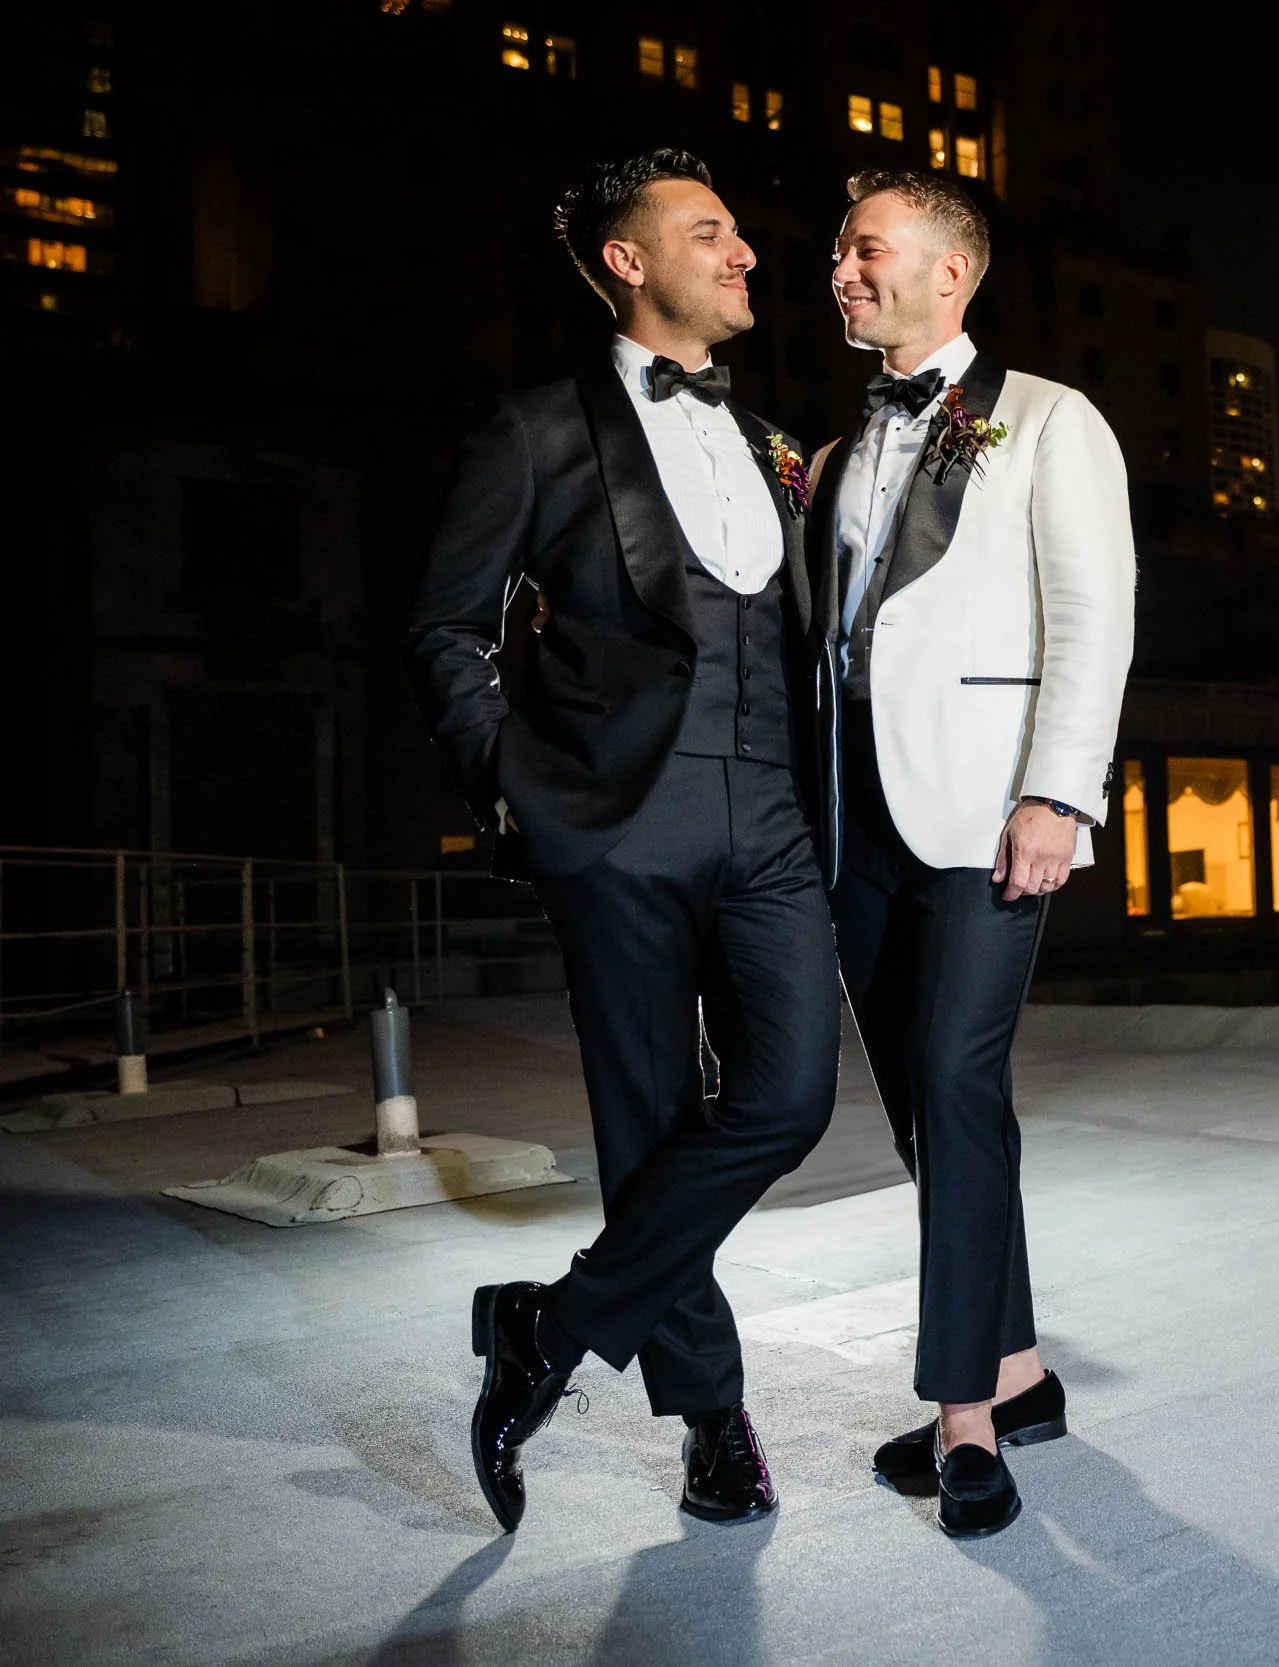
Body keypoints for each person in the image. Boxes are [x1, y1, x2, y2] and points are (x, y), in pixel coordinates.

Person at [404, 149, 839, 1533]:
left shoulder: (769, 440)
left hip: (769, 811)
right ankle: (713, 1417)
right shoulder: (537, 429)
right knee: (649, 1121)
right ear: (630, 262)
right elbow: (447, 629)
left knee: (789, 1098)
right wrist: (519, 789)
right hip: (618, 820)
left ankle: (551, 1322)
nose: (747, 254)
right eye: (711, 233)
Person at [814, 169, 1134, 1538]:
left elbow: (1094, 612)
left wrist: (1060, 793)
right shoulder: (842, 452)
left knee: (955, 1076)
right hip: (859, 822)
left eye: (864, 249)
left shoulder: (1050, 420)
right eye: (836, 250)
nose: (838, 270)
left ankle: (963, 1416)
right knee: (929, 1102)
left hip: (992, 812)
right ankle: (1021, 1368)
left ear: (951, 273)